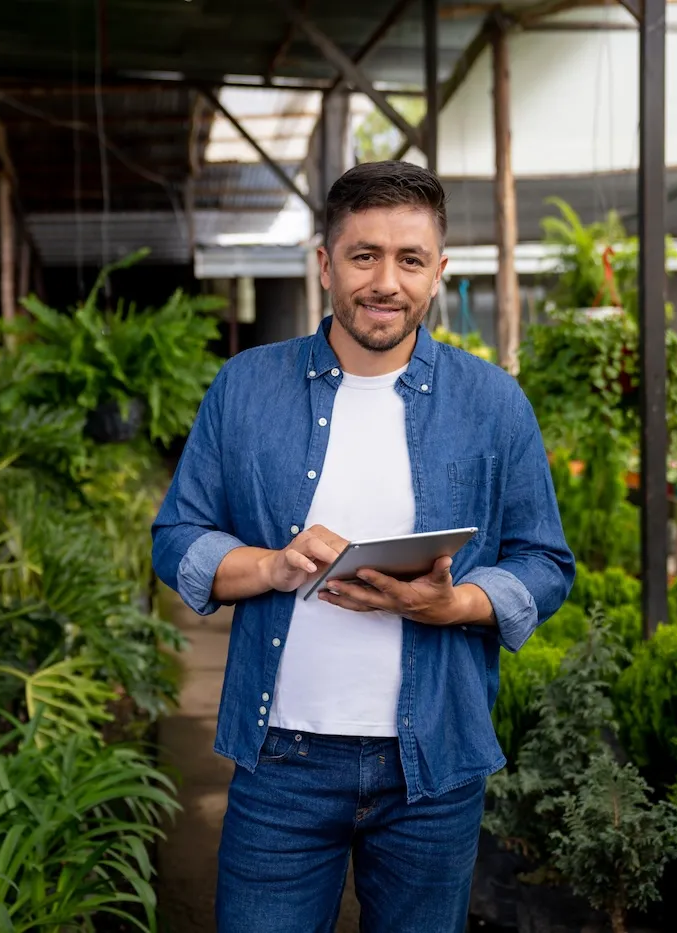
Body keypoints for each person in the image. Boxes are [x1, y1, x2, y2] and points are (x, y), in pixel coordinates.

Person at [151, 160, 575, 933]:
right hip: (280, 758)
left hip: (433, 765)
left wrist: (455, 604)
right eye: (364, 255)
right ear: (325, 265)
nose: (387, 281)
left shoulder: (492, 402)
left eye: (410, 259)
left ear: (438, 272)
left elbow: (544, 560)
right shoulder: (245, 388)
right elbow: (176, 536)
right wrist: (273, 565)